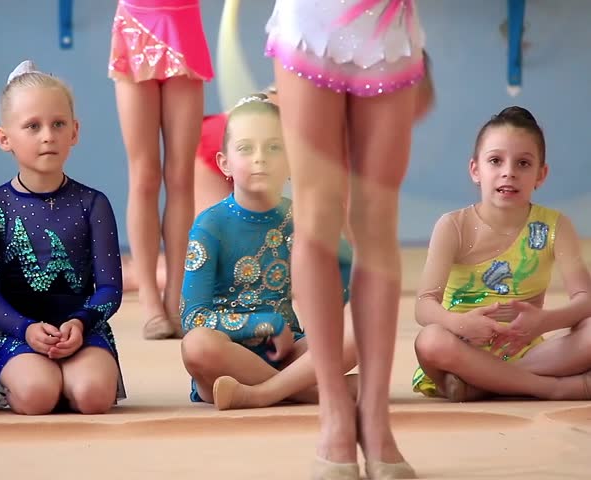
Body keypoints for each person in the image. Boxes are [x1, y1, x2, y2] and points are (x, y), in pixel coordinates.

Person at [266, 0, 426, 477]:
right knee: (317, 216)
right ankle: (334, 413)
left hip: (388, 26)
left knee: (376, 222)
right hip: (310, 24)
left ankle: (375, 418)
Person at [178, 94, 358, 410]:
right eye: (246, 148)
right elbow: (193, 318)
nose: (260, 158)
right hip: (228, 354)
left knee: (360, 328)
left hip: (291, 352)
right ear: (225, 163)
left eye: (274, 147)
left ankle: (260, 393)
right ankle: (307, 392)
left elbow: (343, 298)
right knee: (197, 346)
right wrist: (269, 324)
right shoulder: (210, 225)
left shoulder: (302, 217)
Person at [0, 61, 124, 414]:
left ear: (75, 131)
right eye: (32, 126)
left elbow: (110, 288)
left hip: (82, 329)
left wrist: (82, 322)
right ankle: (30, 377)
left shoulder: (93, 203)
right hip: (15, 332)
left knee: (92, 396)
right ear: (4, 138)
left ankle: (73, 374)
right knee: (38, 395)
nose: (48, 135)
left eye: (58, 124)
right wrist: (25, 329)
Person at [412, 106, 591, 402]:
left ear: (540, 175)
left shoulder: (554, 226)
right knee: (430, 340)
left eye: (523, 163)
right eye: (495, 160)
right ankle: (551, 388)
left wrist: (545, 321)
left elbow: (585, 299)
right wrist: (461, 324)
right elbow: (424, 306)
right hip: (460, 349)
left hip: (527, 351)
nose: (508, 171)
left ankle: (482, 385)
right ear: (475, 170)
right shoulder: (453, 225)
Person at [110, 0, 214, 339]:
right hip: (134, 23)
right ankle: (151, 303)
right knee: (144, 176)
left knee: (181, 175)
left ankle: (176, 297)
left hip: (182, 23)